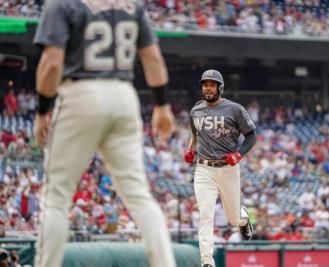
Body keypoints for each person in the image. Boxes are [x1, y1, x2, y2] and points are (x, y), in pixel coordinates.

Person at [33, 1, 176, 267]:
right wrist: (162, 105)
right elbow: (153, 57)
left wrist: (42, 110)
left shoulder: (62, 3)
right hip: (124, 93)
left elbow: (52, 64)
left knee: (56, 197)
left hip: (80, 93)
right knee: (139, 195)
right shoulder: (131, 4)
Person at [184, 69, 257, 267]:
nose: (208, 88)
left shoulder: (234, 109)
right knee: (205, 214)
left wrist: (239, 154)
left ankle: (242, 218)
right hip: (204, 168)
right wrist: (190, 149)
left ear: (220, 87)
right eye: (205, 84)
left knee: (232, 219)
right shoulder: (196, 110)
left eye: (212, 84)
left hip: (228, 168)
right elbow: (195, 134)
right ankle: (207, 261)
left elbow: (252, 135)